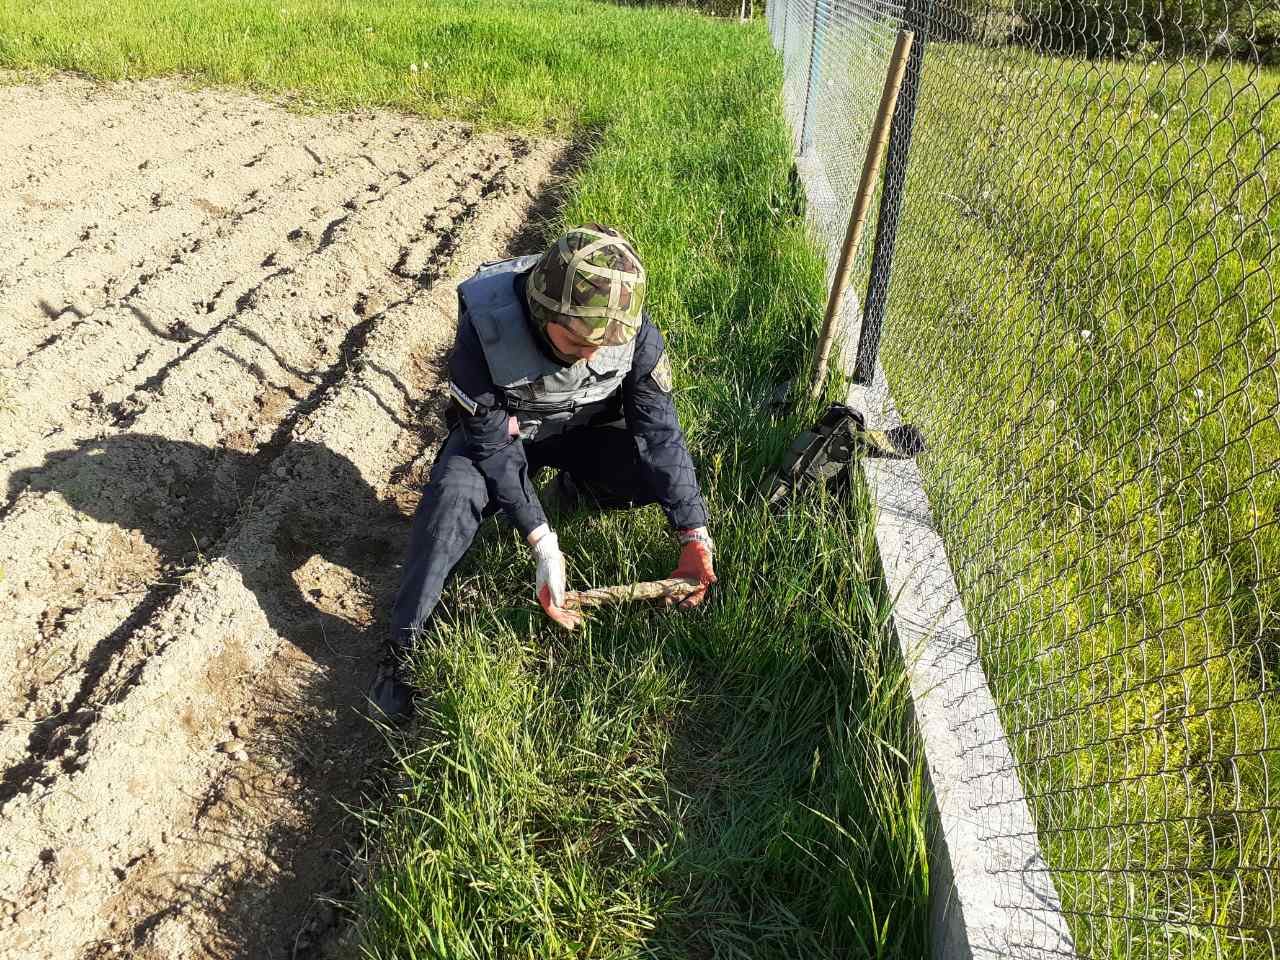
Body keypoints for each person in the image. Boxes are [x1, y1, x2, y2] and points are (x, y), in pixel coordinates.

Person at [369, 224, 716, 717]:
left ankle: (576, 491)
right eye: (577, 342)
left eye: (604, 343)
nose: (592, 354)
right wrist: (542, 542)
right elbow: (490, 443)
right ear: (542, 309)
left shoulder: (628, 324)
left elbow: (660, 432)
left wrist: (694, 536)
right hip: (511, 440)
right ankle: (405, 645)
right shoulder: (486, 327)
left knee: (647, 471)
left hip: (586, 431)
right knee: (451, 497)